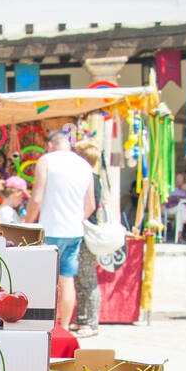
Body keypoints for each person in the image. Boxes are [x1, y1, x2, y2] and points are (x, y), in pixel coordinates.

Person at [26, 131, 95, 332]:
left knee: (43, 279)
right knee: (67, 279)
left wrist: (27, 224)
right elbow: (90, 205)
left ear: (50, 145)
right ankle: (63, 328)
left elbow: (36, 198)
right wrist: (74, 219)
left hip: (50, 228)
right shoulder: (84, 165)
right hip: (73, 230)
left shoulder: (46, 160)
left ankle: (43, 326)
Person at [71, 142, 104, 339]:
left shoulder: (91, 178)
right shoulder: (90, 177)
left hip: (84, 231)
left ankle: (91, 322)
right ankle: (82, 317)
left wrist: (75, 221)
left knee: (87, 278)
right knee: (79, 278)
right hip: (79, 230)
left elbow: (90, 206)